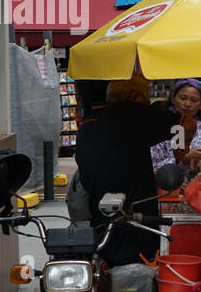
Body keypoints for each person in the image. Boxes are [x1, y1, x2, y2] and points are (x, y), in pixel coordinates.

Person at [75, 77, 175, 267]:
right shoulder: (137, 115)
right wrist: (182, 149)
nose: (148, 101)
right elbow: (185, 123)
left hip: (100, 215)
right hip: (137, 218)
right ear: (135, 96)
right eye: (146, 95)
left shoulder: (90, 121)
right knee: (137, 268)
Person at [150, 78, 201, 172]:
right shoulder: (160, 125)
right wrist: (183, 159)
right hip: (170, 185)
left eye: (194, 100)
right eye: (183, 98)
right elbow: (153, 166)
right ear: (173, 98)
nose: (188, 104)